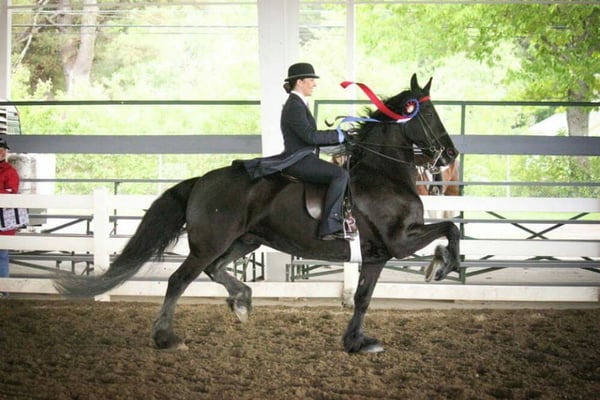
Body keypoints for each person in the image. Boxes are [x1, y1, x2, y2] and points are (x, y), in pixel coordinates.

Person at [279, 63, 349, 240]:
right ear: (300, 82)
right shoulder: (294, 106)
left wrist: (342, 142)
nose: (314, 84)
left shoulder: (299, 104)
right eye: (311, 80)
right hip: (298, 159)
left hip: (304, 156)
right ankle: (330, 226)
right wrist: (338, 135)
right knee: (340, 175)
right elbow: (310, 137)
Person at [0, 137, 20, 293]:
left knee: (1, 255)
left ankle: (3, 291)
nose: (1, 152)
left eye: (3, 150)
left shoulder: (9, 172)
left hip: (3, 220)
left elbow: (11, 192)